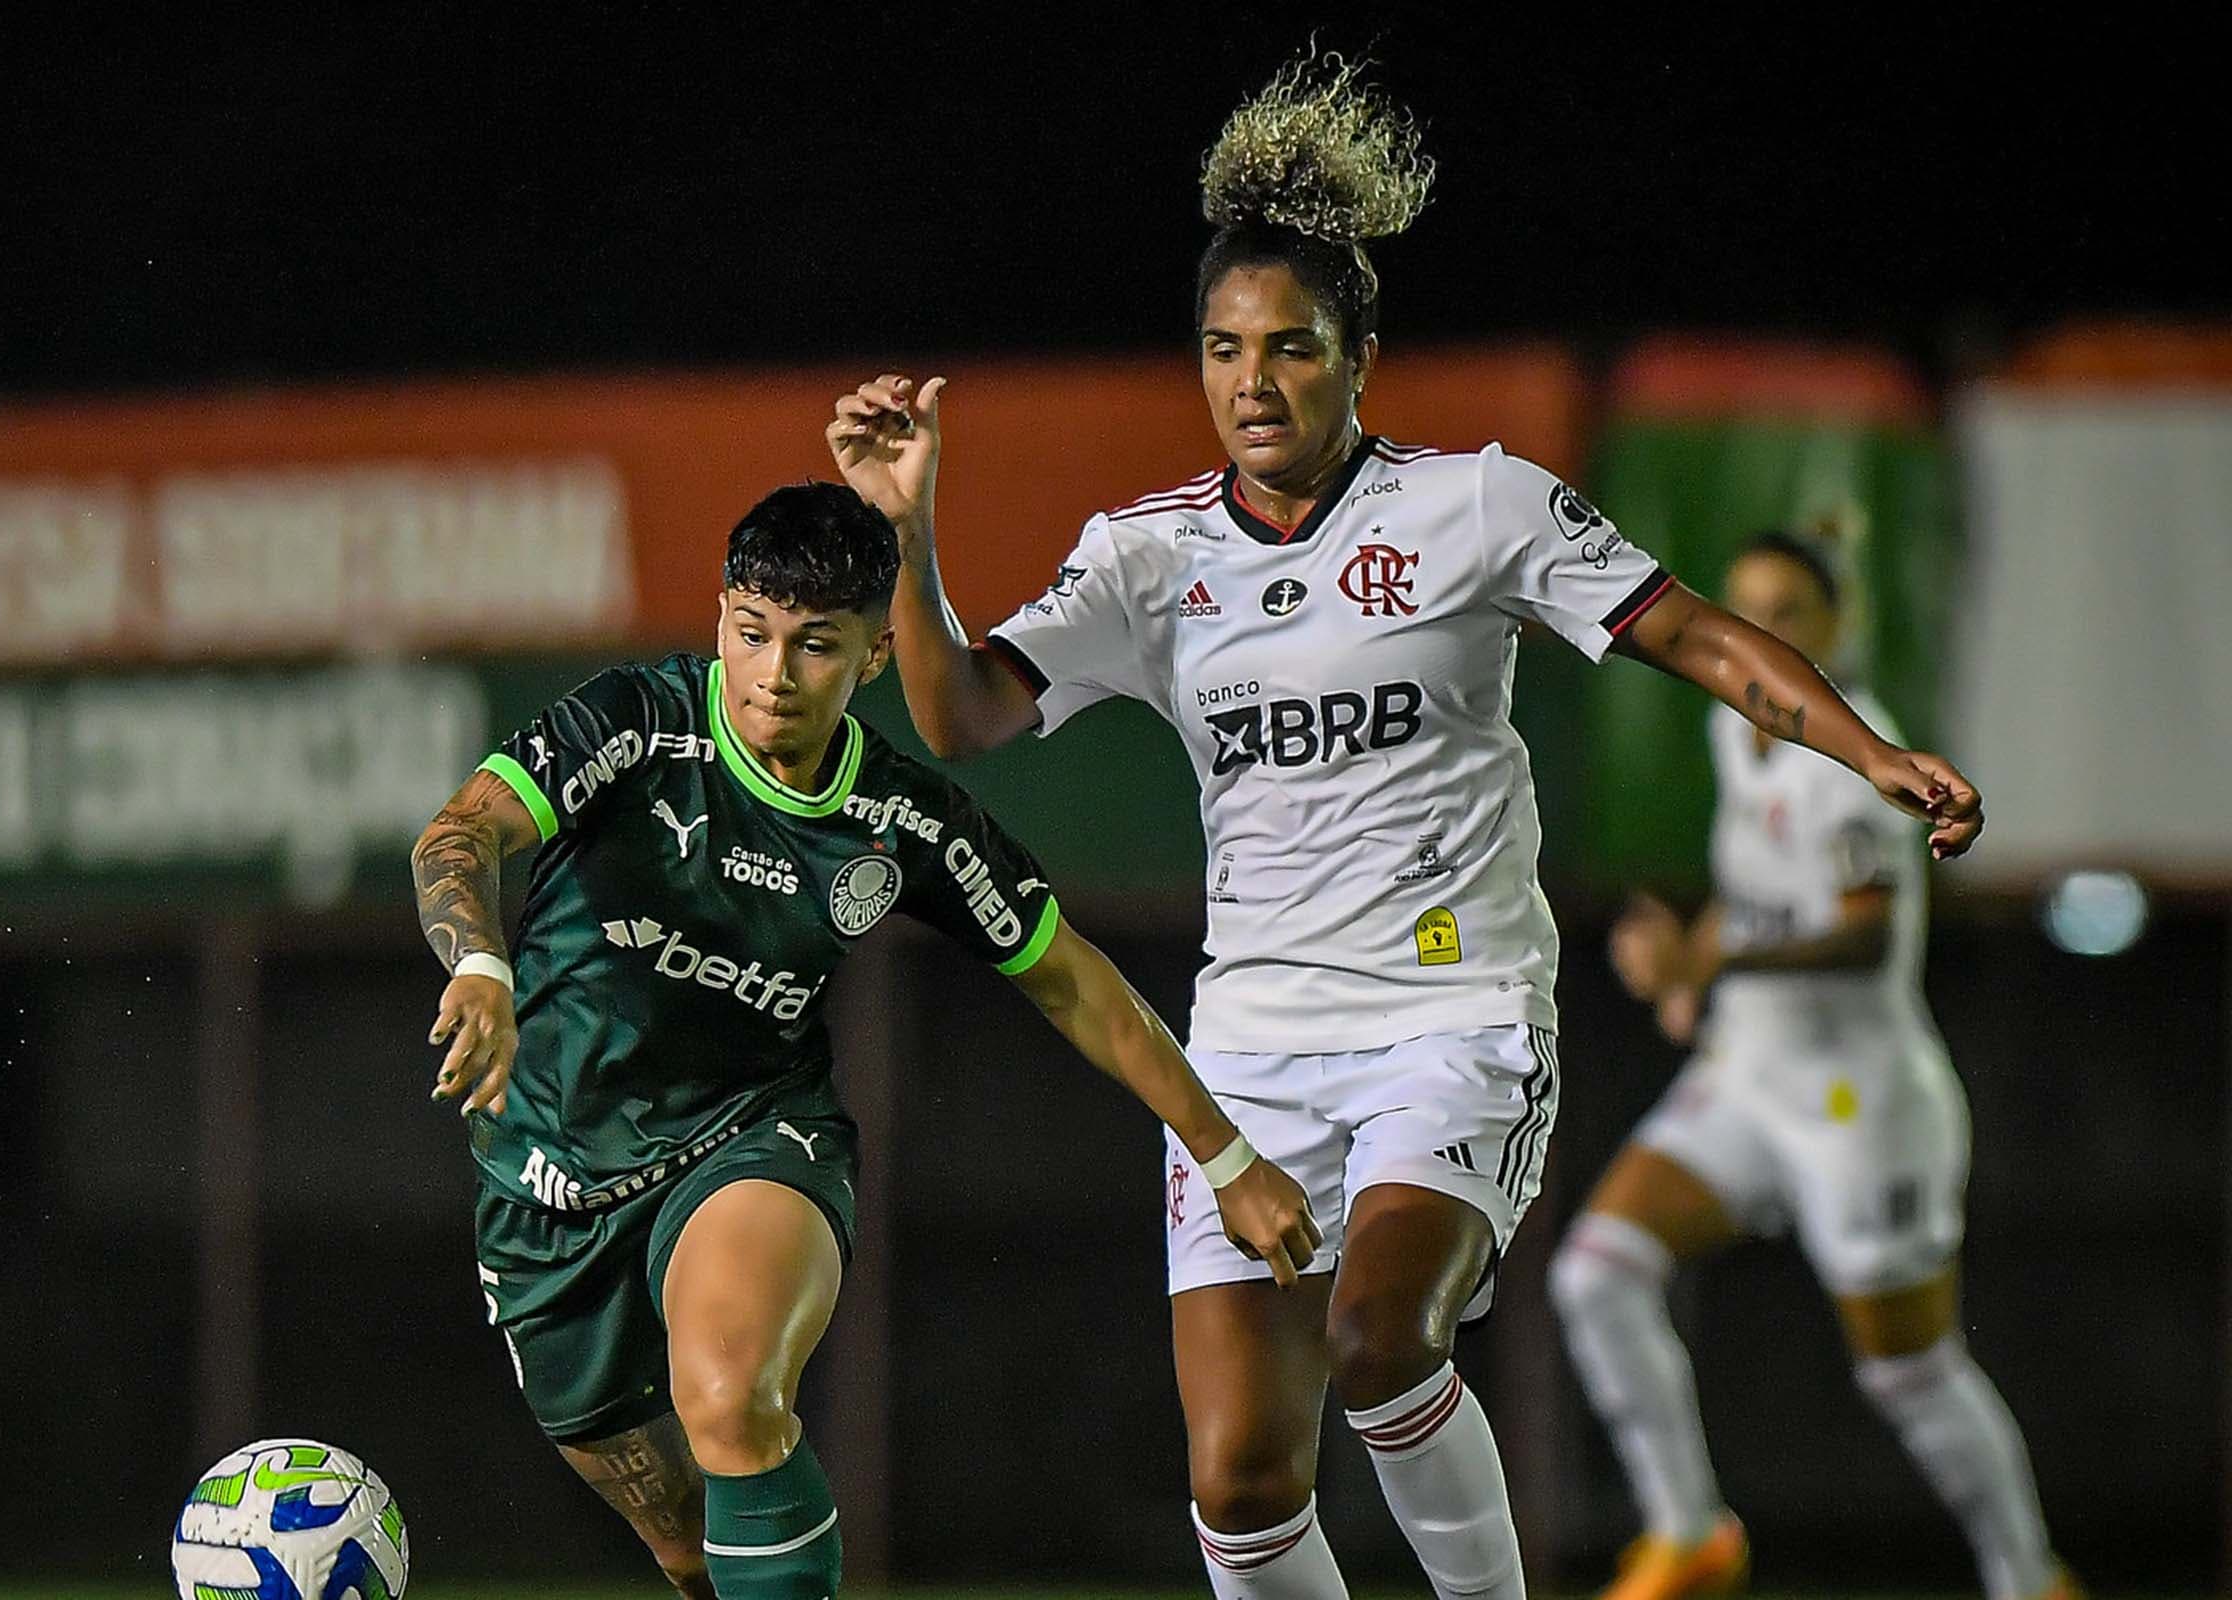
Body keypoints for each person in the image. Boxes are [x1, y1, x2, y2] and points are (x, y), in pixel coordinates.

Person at [825, 49, 1983, 1600]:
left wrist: (1869, 750)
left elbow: (1695, 636)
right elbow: (963, 714)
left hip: (1454, 1016)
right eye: (1224, 347)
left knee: (1381, 1341)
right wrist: (913, 537)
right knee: (1239, 1481)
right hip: (1248, 1043)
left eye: (1290, 347)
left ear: (1358, 359)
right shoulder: (1146, 557)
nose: (1252, 379)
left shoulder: (1479, 508)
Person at [408, 480, 1319, 1600]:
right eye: (753, 635)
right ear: (723, 620)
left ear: (874, 657)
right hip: (542, 1177)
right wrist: (483, 966)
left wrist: (1226, 1156)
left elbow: (1074, 983)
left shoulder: (902, 821)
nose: (775, 675)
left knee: (733, 1395)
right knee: (687, 1549)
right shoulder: (633, 723)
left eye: (815, 646)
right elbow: (460, 833)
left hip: (747, 1139)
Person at [1546, 531, 2070, 1600]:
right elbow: (1759, 894)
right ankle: (1689, 1533)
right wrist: (1694, 958)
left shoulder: (1860, 748)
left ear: (1838, 628)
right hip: (1749, 1077)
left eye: (1788, 610)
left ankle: (2030, 1581)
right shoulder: (1734, 727)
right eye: (1744, 608)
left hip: (1858, 1103)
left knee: (1909, 1372)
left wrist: (1716, 952)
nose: (1760, 633)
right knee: (1596, 1273)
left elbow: (1864, 933)